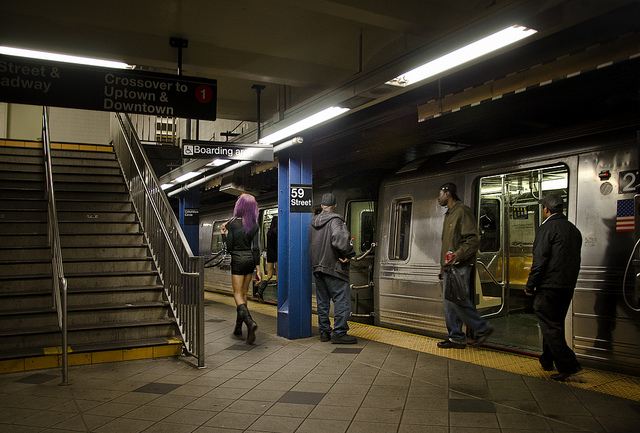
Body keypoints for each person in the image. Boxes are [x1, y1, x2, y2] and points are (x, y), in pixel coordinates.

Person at [525, 193, 582, 381]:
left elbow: (540, 260)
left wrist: (531, 285)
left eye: (542, 208)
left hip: (549, 285)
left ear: (546, 209)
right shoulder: (573, 230)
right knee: (554, 323)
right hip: (567, 285)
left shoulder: (547, 228)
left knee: (549, 324)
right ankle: (547, 360)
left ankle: (568, 364)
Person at [437, 182, 495, 349]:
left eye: (440, 193)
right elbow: (448, 243)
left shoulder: (462, 211)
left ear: (448, 193)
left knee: (458, 300)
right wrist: (443, 266)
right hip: (450, 267)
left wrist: (458, 255)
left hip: (460, 265)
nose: (438, 197)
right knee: (450, 304)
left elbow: (473, 239)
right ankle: (456, 337)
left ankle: (482, 329)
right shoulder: (449, 214)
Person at [309, 193, 357, 344]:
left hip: (317, 268)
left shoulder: (313, 222)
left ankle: (324, 332)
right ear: (335, 205)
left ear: (322, 206)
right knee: (341, 301)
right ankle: (339, 333)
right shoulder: (335, 221)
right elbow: (341, 240)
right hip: (334, 267)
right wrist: (349, 254)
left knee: (322, 302)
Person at [221, 193, 262, 344]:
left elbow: (229, 248)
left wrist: (223, 235)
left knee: (237, 295)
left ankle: (249, 322)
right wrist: (258, 269)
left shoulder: (232, 224)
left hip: (237, 260)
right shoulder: (255, 225)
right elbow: (256, 248)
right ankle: (238, 328)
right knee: (244, 295)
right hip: (250, 260)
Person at [256, 216, 277, 302]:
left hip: (270, 254)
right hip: (276, 254)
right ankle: (279, 297)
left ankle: (260, 292)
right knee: (278, 276)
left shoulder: (269, 232)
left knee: (269, 275)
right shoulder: (277, 232)